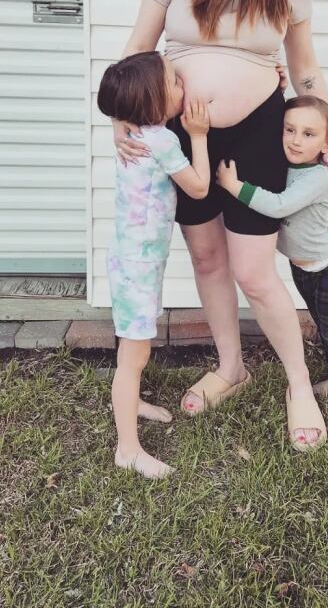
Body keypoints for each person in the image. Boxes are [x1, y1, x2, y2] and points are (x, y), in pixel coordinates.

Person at [113, 0, 328, 451]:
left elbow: (305, 69)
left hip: (258, 136)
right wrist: (120, 117)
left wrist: (326, 135)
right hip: (186, 140)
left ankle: (298, 388)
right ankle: (231, 367)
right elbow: (138, 50)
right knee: (208, 260)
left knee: (256, 274)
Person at [97, 51, 211, 479]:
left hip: (131, 261)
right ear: (154, 102)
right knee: (133, 356)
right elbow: (198, 188)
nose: (183, 86)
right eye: (175, 83)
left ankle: (134, 402)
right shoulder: (163, 141)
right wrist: (198, 135)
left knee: (133, 350)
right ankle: (127, 449)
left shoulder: (136, 134)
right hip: (138, 268)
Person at [216, 96, 328, 421]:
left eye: (308, 134)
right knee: (323, 324)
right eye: (289, 129)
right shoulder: (285, 164)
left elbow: (278, 206)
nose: (295, 139)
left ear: (327, 143)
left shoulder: (316, 177)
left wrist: (234, 187)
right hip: (301, 269)